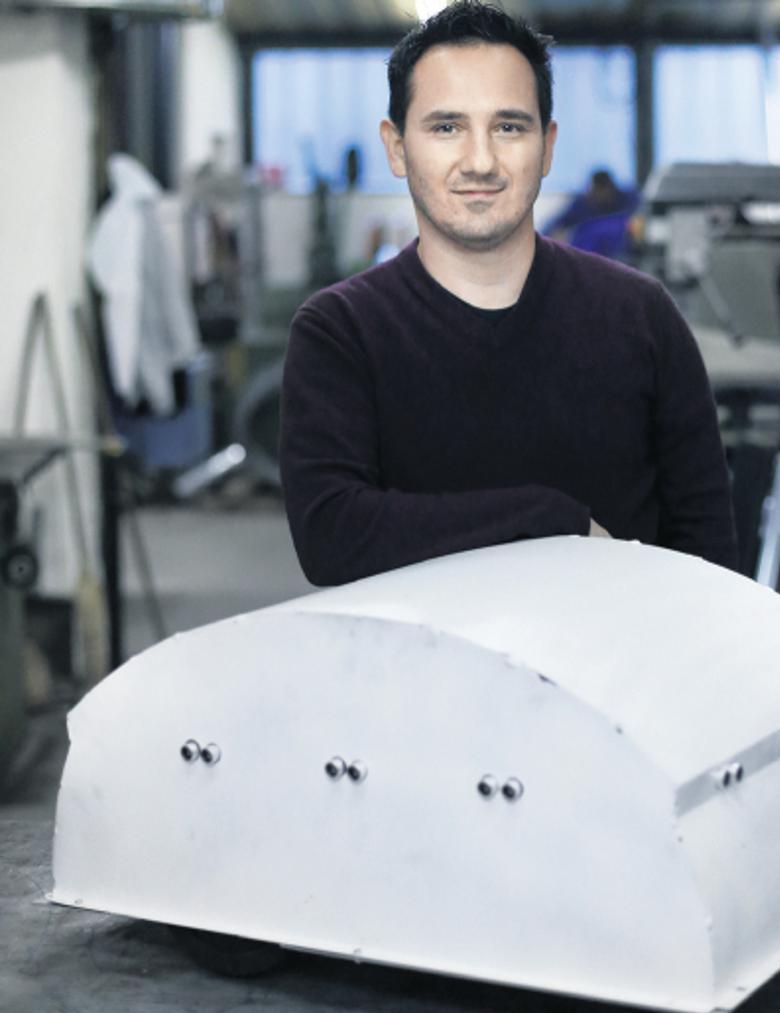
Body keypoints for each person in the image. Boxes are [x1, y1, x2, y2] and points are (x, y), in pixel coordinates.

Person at [280, 0, 737, 587]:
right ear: (396, 148)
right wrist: (552, 521)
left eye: (509, 127)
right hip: (417, 650)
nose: (480, 161)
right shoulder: (340, 331)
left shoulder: (641, 317)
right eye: (447, 127)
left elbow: (711, 560)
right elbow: (331, 535)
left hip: (613, 648)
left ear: (547, 146)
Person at [543, 168, 639, 259]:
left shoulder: (628, 199)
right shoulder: (583, 203)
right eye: (593, 190)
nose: (595, 194)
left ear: (609, 189)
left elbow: (636, 217)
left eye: (599, 191)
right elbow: (558, 222)